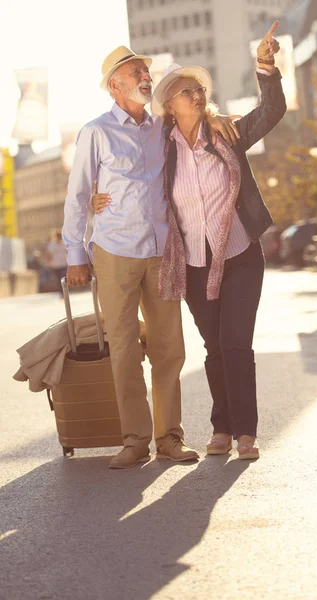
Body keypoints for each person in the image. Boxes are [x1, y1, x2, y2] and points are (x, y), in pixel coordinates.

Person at [92, 23, 286, 460]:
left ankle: (246, 433)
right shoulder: (163, 147)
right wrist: (93, 195)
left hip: (239, 254)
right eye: (185, 92)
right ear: (169, 105)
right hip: (195, 262)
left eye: (198, 90)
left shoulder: (227, 134)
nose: (196, 96)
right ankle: (221, 426)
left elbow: (271, 111)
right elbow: (130, 172)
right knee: (213, 346)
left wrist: (267, 66)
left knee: (236, 342)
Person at [62, 46, 239, 469]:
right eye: (135, 72)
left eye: (144, 70)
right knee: (123, 348)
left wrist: (216, 116)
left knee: (169, 348)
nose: (145, 77)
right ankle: (134, 440)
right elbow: (80, 193)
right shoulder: (96, 132)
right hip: (113, 251)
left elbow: (194, 113)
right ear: (114, 85)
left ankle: (169, 438)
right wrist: (74, 251)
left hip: (163, 251)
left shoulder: (162, 126)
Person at [44, 229, 68, 297]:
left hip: (63, 264)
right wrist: (48, 263)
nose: (59, 237)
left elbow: (68, 253)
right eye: (58, 236)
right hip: (55, 265)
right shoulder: (51, 244)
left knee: (63, 278)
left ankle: (65, 291)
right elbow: (48, 254)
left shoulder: (64, 244)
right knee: (58, 280)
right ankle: (61, 292)